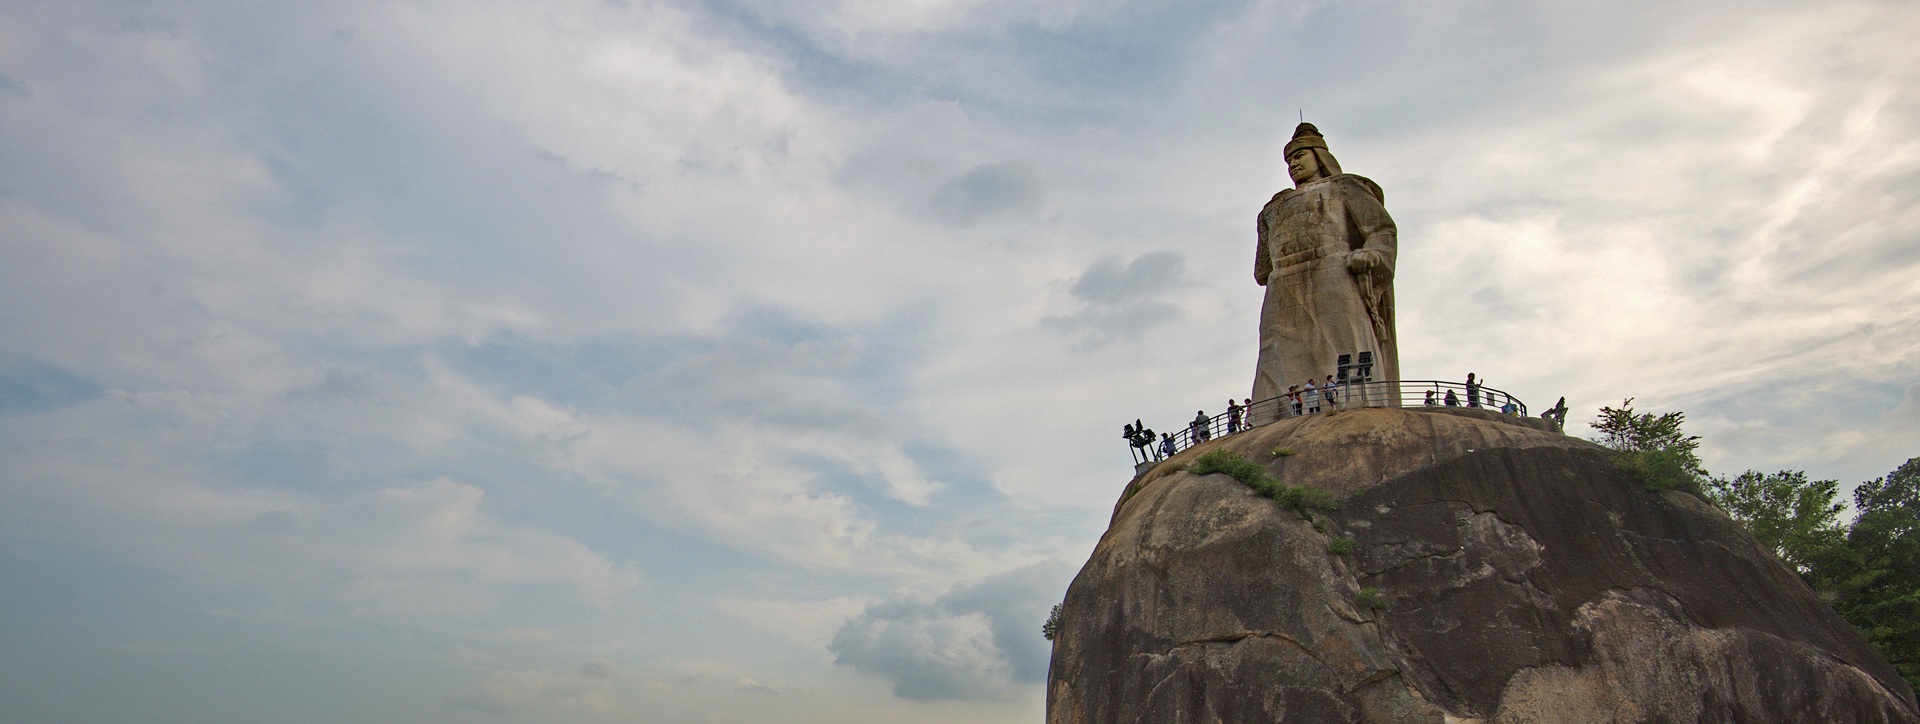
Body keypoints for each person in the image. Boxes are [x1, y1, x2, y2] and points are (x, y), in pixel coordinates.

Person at [1253, 123, 1400, 409]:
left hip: (1332, 271)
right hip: (1282, 282)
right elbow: (1261, 270)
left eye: (1300, 156)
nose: (1293, 165)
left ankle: (1356, 404)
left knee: (1344, 346)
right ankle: (1273, 412)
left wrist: (1371, 253)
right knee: (1274, 357)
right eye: (1289, 161)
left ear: (1319, 156)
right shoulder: (1274, 207)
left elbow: (1382, 229)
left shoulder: (1344, 186)